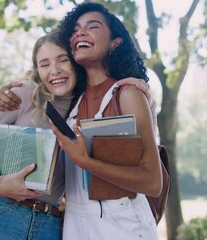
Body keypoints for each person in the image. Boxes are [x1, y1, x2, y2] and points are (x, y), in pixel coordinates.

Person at [0, 30, 154, 239]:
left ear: (76, 63)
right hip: (0, 214)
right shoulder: (25, 94)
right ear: (37, 70)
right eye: (45, 64)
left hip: (49, 224)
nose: (55, 70)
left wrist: (140, 91)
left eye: (62, 60)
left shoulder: (86, 107)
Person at [50, 3, 163, 239]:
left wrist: (86, 161)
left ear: (115, 42)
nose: (79, 33)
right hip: (75, 224)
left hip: (122, 224)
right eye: (75, 30)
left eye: (92, 27)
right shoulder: (69, 102)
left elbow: (153, 182)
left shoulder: (127, 94)